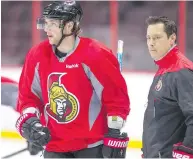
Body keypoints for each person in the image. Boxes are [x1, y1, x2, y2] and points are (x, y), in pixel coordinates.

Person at [15, 1, 130, 158]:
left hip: (91, 145)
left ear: (69, 26)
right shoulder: (37, 55)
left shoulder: (95, 54)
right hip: (54, 144)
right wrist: (32, 122)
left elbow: (115, 97)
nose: (47, 29)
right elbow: (29, 97)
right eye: (46, 23)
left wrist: (114, 131)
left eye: (53, 24)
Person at [142, 16, 193, 158]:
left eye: (157, 37)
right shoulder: (163, 69)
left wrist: (187, 150)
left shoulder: (181, 72)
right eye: (148, 38)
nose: (151, 43)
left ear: (172, 39)